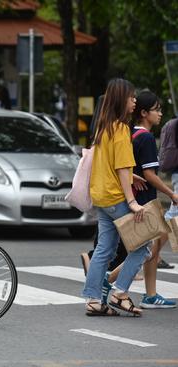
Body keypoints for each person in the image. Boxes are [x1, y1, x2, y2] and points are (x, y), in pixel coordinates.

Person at [82, 78, 151, 317]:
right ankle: (120, 293)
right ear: (121, 99)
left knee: (105, 249)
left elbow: (111, 165)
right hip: (116, 197)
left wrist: (132, 176)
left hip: (101, 197)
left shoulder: (104, 126)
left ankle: (92, 300)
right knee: (143, 246)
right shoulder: (121, 129)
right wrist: (132, 201)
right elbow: (121, 167)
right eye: (131, 97)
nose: (134, 101)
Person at [102, 90, 176, 309]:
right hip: (143, 200)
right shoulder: (145, 137)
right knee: (146, 249)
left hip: (132, 197)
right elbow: (150, 174)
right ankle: (112, 284)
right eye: (157, 109)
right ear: (144, 113)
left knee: (149, 247)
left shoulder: (130, 133)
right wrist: (171, 194)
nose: (160, 113)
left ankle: (148, 293)